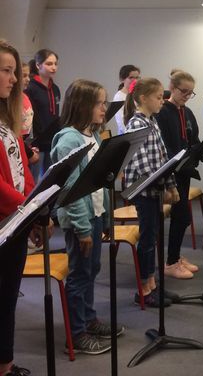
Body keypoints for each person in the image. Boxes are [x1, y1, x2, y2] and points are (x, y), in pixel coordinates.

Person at [51, 79, 124, 355]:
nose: (105, 108)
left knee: (91, 270)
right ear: (83, 106)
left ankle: (89, 319)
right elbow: (70, 189)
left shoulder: (92, 135)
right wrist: (82, 228)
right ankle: (77, 333)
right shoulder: (69, 139)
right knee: (79, 274)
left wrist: (104, 218)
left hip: (94, 216)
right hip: (80, 220)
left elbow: (98, 183)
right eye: (100, 103)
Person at [123, 77, 183, 296]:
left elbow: (162, 157)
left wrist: (171, 185)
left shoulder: (152, 121)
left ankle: (152, 281)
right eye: (158, 97)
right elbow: (142, 165)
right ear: (142, 98)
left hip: (155, 188)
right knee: (147, 238)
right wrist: (162, 186)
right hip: (143, 190)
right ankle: (144, 286)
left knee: (154, 236)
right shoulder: (136, 124)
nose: (162, 101)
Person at [0, 40, 38, 376]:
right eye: (6, 71)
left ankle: (5, 364)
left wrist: (35, 202)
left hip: (15, 221)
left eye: (14, 71)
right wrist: (26, 205)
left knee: (8, 299)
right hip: (4, 223)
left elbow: (22, 170)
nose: (13, 79)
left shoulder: (7, 120)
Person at [155, 70, 203, 278]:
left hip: (184, 172)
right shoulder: (163, 112)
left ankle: (175, 258)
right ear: (172, 88)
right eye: (184, 91)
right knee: (181, 217)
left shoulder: (187, 112)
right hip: (171, 174)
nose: (186, 96)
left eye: (191, 93)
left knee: (182, 218)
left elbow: (194, 139)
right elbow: (167, 146)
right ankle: (171, 262)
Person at [24, 49, 60, 182]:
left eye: (56, 64)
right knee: (34, 181)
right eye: (49, 64)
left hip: (52, 142)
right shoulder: (31, 88)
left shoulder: (55, 89)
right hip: (36, 144)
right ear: (38, 65)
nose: (54, 67)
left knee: (50, 181)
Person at [112, 64, 140, 135]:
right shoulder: (119, 97)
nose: (135, 80)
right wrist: (133, 135)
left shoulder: (138, 95)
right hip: (127, 136)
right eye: (131, 77)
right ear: (122, 79)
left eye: (137, 77)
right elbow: (121, 122)